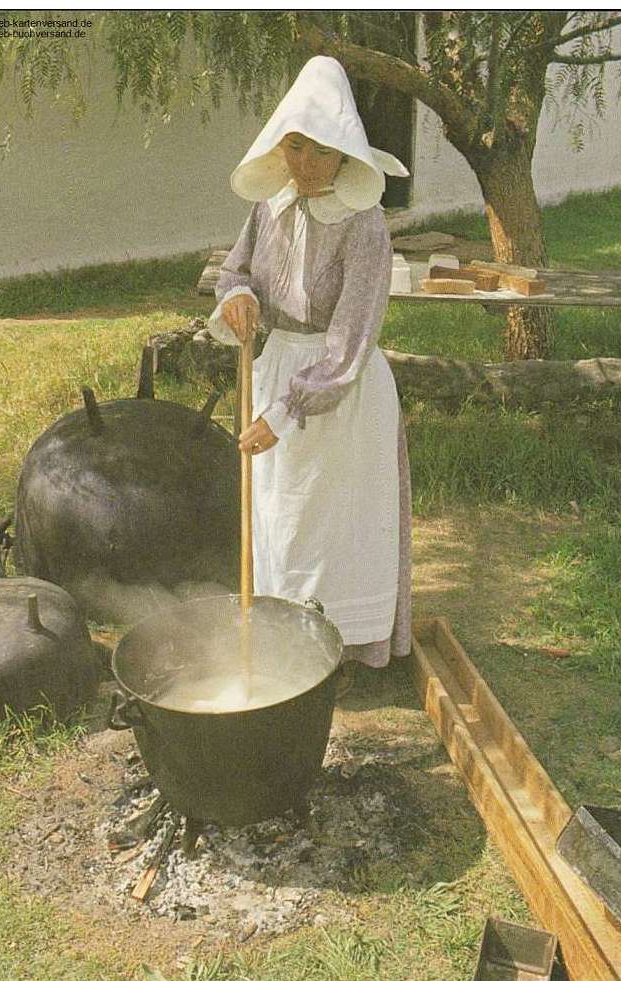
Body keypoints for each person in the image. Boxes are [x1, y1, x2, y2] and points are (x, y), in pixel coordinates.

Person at [207, 56, 413, 689]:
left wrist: (286, 412)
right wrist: (236, 297)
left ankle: (343, 652)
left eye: (321, 151)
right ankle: (284, 638)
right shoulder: (269, 208)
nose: (305, 164)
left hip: (339, 390)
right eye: (295, 146)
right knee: (281, 515)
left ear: (346, 153)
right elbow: (236, 271)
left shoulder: (364, 224)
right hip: (278, 373)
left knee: (333, 520)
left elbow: (351, 340)